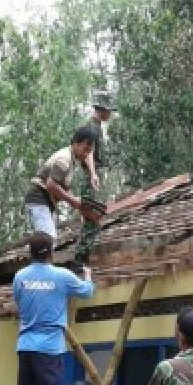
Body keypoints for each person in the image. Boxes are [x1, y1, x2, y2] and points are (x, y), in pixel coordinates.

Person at [12, 232, 96, 385]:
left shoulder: (20, 277)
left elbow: (19, 303)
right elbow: (88, 292)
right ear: (51, 251)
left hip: (26, 346)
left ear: (30, 252)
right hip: (49, 349)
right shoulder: (61, 276)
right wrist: (88, 275)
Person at [24, 126, 103, 242]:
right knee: (48, 240)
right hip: (38, 199)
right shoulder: (64, 159)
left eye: (89, 151)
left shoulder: (72, 160)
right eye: (85, 149)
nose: (86, 154)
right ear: (76, 143)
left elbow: (61, 188)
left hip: (45, 202)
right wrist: (73, 201)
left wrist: (81, 205)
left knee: (47, 240)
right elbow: (51, 185)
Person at [75, 92, 116, 265]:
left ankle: (85, 255)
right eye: (109, 110)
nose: (110, 114)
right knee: (91, 215)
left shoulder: (96, 126)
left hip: (93, 175)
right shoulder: (92, 127)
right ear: (102, 109)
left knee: (95, 215)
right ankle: (81, 258)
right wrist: (92, 174)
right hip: (89, 175)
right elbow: (88, 152)